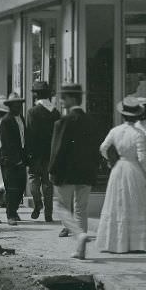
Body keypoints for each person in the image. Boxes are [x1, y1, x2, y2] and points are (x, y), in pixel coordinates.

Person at [96, 97, 146, 254]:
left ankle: (116, 243)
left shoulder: (115, 131)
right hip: (133, 168)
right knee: (135, 203)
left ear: (123, 115)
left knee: (117, 203)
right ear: (137, 116)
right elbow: (142, 157)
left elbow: (103, 148)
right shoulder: (139, 134)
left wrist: (110, 160)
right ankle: (136, 243)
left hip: (119, 168)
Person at [48, 83, 101, 260]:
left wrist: (52, 170)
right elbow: (96, 149)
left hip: (66, 174)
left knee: (61, 207)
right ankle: (81, 250)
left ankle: (79, 235)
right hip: (86, 172)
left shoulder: (62, 122)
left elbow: (57, 150)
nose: (61, 101)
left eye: (63, 98)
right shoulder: (92, 122)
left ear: (72, 98)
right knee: (81, 209)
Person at [26, 81, 61, 222]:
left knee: (33, 179)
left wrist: (28, 153)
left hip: (36, 153)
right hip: (50, 154)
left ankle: (37, 202)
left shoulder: (32, 112)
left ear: (36, 95)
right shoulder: (56, 113)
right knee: (48, 184)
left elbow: (30, 134)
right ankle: (48, 214)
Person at [0, 92, 29, 226]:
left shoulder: (21, 118)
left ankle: (14, 210)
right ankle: (10, 214)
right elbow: (7, 143)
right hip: (9, 158)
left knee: (21, 186)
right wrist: (16, 159)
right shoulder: (6, 121)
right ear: (10, 106)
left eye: (20, 104)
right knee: (11, 188)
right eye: (15, 105)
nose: (18, 107)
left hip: (21, 156)